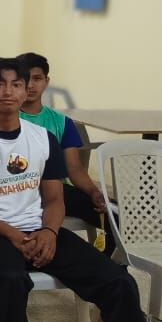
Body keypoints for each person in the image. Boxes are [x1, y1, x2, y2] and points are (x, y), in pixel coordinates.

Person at [0, 58, 148, 322]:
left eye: (17, 85)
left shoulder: (43, 138)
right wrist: (14, 235)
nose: (8, 92)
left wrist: (50, 232)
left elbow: (54, 199)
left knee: (118, 281)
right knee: (11, 280)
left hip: (38, 229)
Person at [16, 52, 110, 251]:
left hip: (56, 191)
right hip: (16, 189)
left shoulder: (61, 122)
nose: (30, 85)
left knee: (115, 217)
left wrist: (94, 192)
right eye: (24, 79)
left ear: (46, 81)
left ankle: (111, 263)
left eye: (37, 78)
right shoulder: (4, 117)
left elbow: (74, 168)